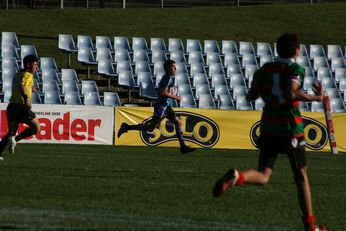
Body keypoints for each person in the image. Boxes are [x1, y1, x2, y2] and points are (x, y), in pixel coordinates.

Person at [212, 33, 326, 231]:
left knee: (263, 176)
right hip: (291, 128)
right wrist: (317, 98)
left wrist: (263, 92)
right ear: (297, 51)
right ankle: (310, 226)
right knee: (301, 176)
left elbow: (251, 95)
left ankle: (237, 176)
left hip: (268, 128)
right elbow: (292, 92)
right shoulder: (295, 68)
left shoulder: (264, 69)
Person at [117, 59, 195, 154]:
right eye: (173, 67)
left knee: (178, 122)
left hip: (166, 106)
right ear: (167, 68)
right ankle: (126, 127)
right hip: (162, 107)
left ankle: (183, 147)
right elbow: (162, 93)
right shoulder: (167, 78)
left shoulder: (168, 78)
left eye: (175, 67)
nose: (175, 69)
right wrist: (176, 97)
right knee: (151, 128)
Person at [0, 55, 40, 160]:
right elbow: (22, 87)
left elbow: (21, 86)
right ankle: (16, 140)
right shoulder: (28, 75)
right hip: (21, 107)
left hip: (12, 107)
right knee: (36, 128)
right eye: (35, 65)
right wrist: (27, 99)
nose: (36, 67)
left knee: (10, 133)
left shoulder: (18, 74)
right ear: (28, 65)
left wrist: (31, 89)